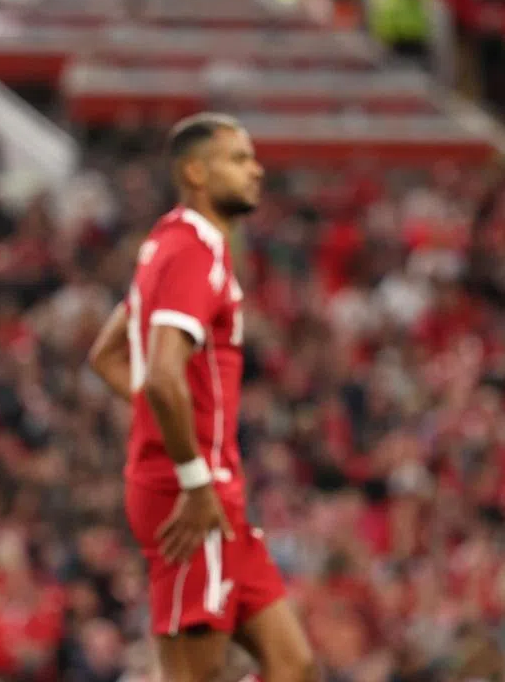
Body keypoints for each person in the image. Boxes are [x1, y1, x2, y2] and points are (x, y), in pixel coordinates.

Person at [87, 113, 316, 682]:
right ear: (194, 170)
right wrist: (191, 476)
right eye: (238, 159)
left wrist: (164, 431)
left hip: (211, 491)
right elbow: (163, 375)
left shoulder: (167, 243)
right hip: (191, 497)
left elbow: (109, 355)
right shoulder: (194, 251)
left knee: (293, 665)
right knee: (196, 674)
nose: (255, 170)